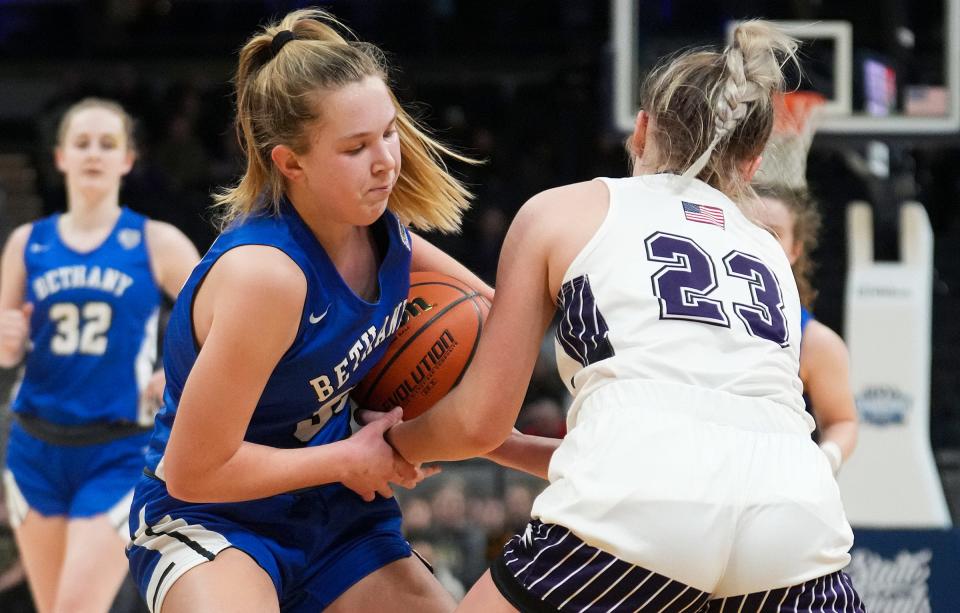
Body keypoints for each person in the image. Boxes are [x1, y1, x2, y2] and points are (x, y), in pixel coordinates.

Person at [387, 21, 865, 612]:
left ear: (640, 130)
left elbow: (482, 422)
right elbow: (692, 438)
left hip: (643, 510)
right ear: (752, 165)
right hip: (797, 524)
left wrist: (397, 442)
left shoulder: (559, 211)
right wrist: (497, 447)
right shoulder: (767, 249)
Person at [125, 9, 493, 613]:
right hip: (214, 518)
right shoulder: (266, 275)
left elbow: (497, 327)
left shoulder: (389, 235)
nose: (385, 161)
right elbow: (190, 471)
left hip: (335, 513)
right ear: (289, 162)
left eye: (389, 133)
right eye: (356, 147)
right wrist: (351, 456)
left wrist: (514, 445)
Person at [0, 98, 200, 613]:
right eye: (82, 143)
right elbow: (6, 352)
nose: (94, 153)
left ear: (128, 159)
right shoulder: (26, 243)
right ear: (60, 156)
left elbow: (221, 320)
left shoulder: (156, 241)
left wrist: (174, 369)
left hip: (117, 452)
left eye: (107, 144)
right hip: (34, 450)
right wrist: (6, 340)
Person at [755, 184, 858, 475]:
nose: (759, 240)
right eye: (747, 227)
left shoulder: (815, 341)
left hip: (778, 486)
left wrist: (826, 458)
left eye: (772, 232)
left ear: (795, 249)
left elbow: (843, 421)